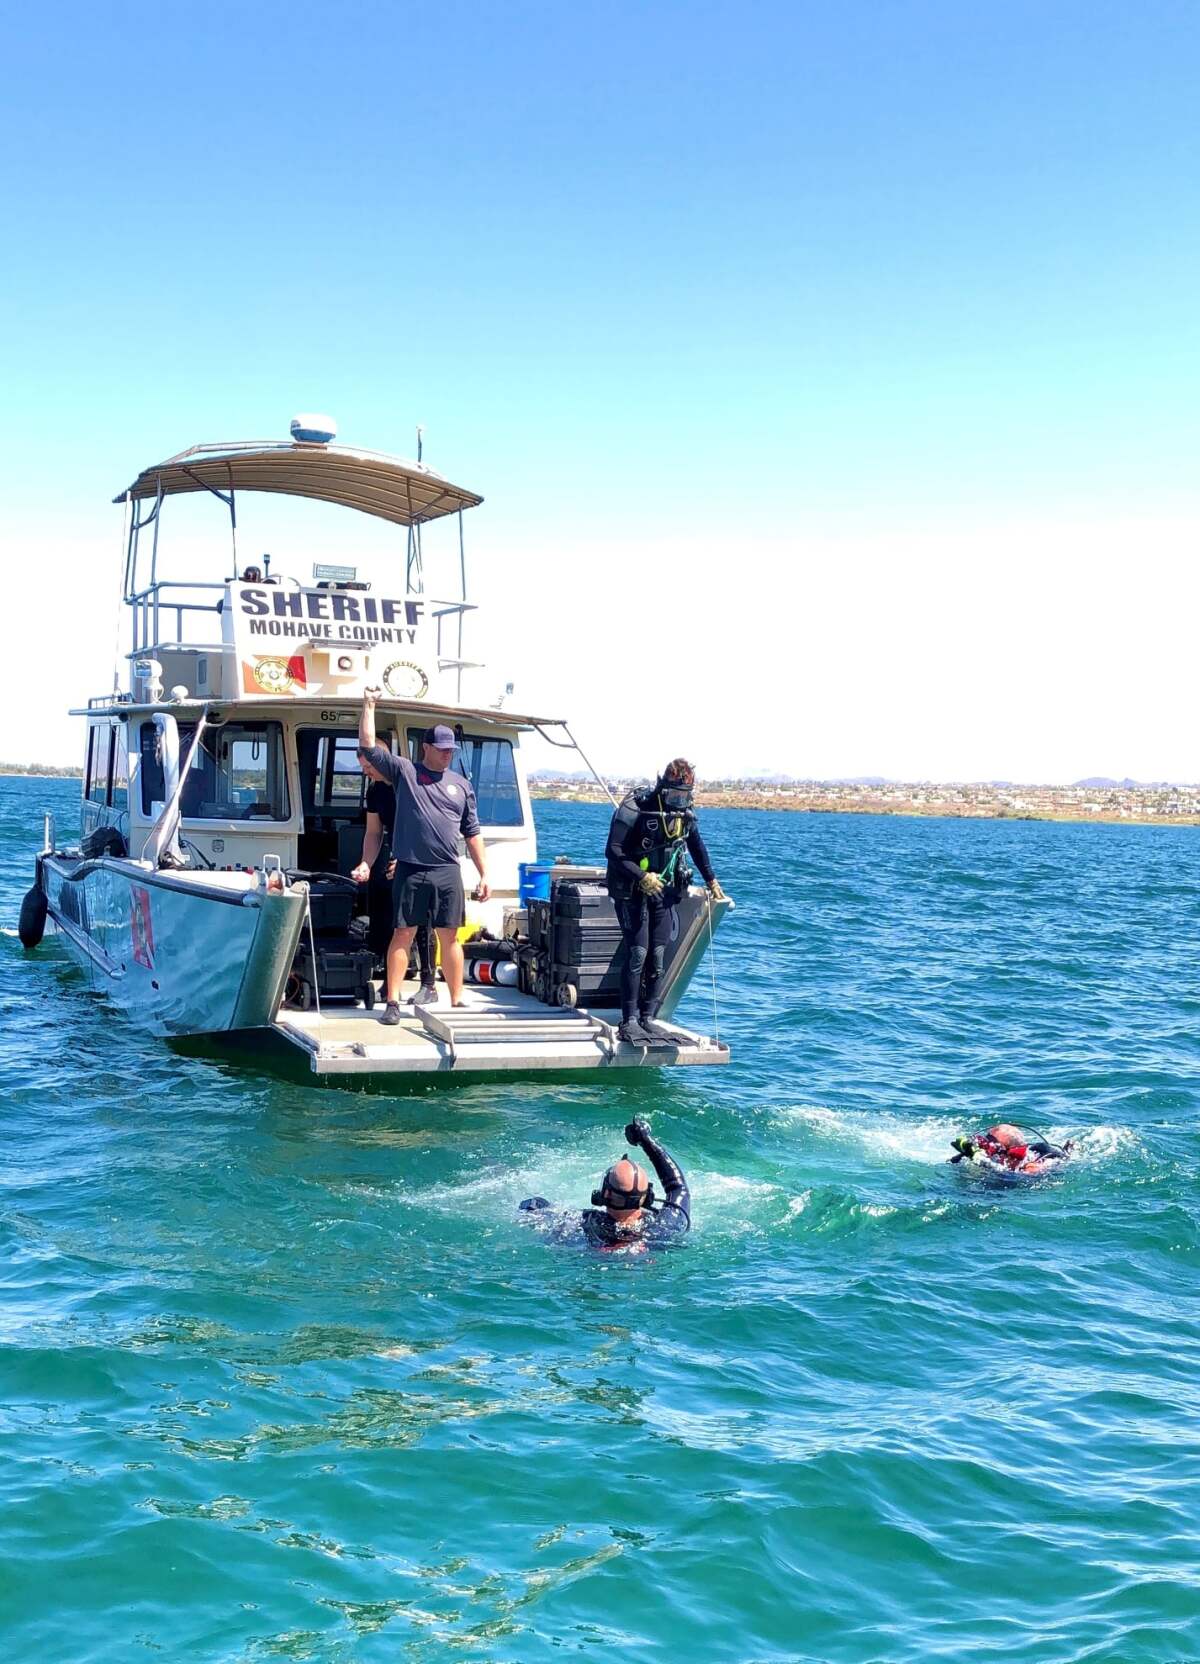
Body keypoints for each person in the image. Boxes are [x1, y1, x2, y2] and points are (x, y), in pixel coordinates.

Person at [357, 690, 490, 1024]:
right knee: (403, 933)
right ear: (426, 748)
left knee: (449, 935)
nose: (447, 755)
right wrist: (369, 705)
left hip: (448, 870)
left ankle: (457, 1001)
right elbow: (369, 747)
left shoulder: (462, 785)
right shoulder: (405, 772)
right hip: (411, 868)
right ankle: (392, 1001)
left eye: (451, 750)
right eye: (442, 749)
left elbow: (472, 832)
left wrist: (484, 873)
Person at [604, 758, 727, 1047]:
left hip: (663, 890)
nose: (678, 802)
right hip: (632, 889)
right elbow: (613, 850)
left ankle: (648, 1017)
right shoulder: (636, 808)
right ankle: (629, 1020)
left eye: (684, 797)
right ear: (662, 788)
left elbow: (696, 846)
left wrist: (711, 880)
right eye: (673, 796)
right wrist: (641, 876)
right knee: (638, 953)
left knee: (657, 955)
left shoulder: (685, 814)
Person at [519, 1117, 689, 1249]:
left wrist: (535, 1204)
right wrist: (646, 1140)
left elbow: (533, 1207)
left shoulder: (582, 1222)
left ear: (606, 1193)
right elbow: (677, 1186)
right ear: (648, 1198)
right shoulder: (666, 1226)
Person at [349, 747, 436, 1002]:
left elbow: (429, 824)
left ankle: (429, 984)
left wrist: (409, 857)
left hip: (422, 856)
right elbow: (374, 832)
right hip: (394, 854)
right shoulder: (375, 791)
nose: (366, 772)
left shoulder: (410, 783)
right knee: (391, 921)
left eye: (369, 766)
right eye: (363, 767)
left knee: (422, 920)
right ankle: (390, 983)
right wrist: (366, 863)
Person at [951, 1123, 1073, 1175]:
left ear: (1011, 1154)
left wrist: (986, 1164)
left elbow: (1022, 1178)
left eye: (995, 1153)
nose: (991, 1156)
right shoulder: (1001, 1156)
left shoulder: (1033, 1166)